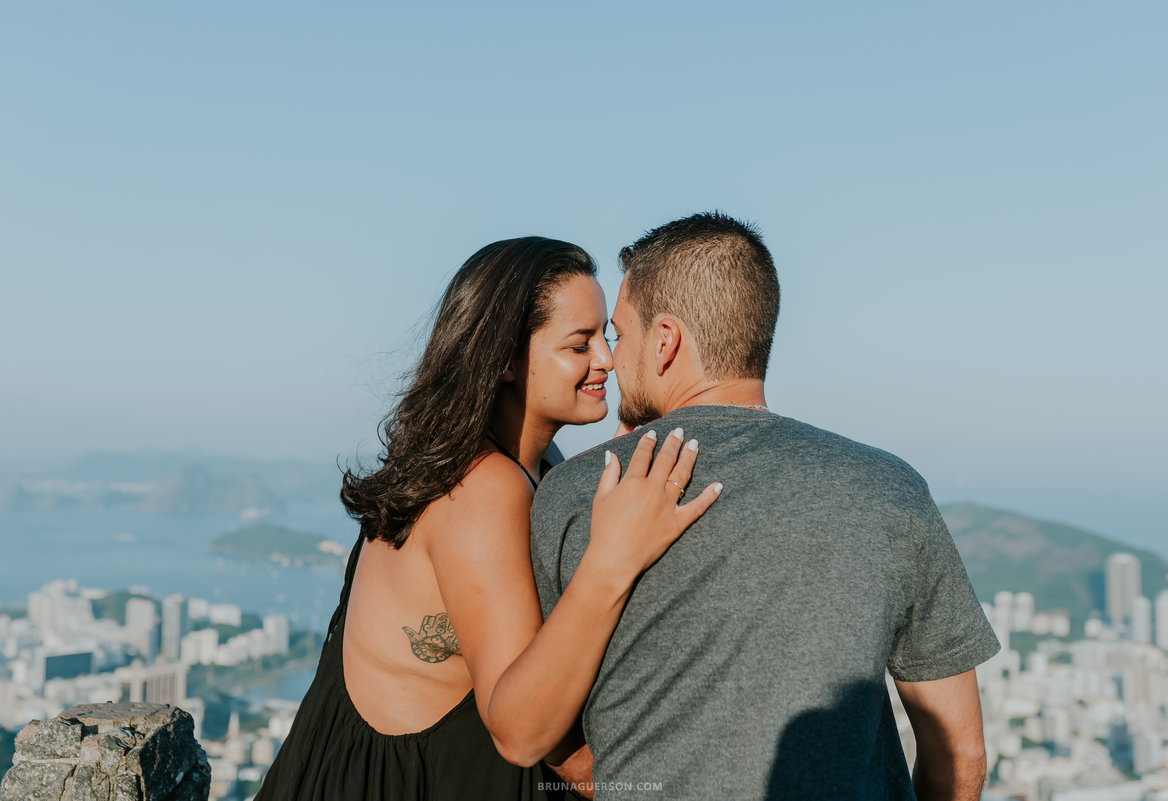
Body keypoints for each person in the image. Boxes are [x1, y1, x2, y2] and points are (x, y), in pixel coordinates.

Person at [530, 213, 1001, 800]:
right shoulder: (889, 488)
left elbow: (556, 740)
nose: (611, 358)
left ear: (666, 341)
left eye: (621, 335)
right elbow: (960, 751)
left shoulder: (579, 493)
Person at [258, 237, 721, 800]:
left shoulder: (526, 465)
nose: (607, 358)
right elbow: (524, 734)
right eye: (581, 343)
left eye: (608, 335)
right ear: (504, 359)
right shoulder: (482, 488)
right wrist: (612, 558)